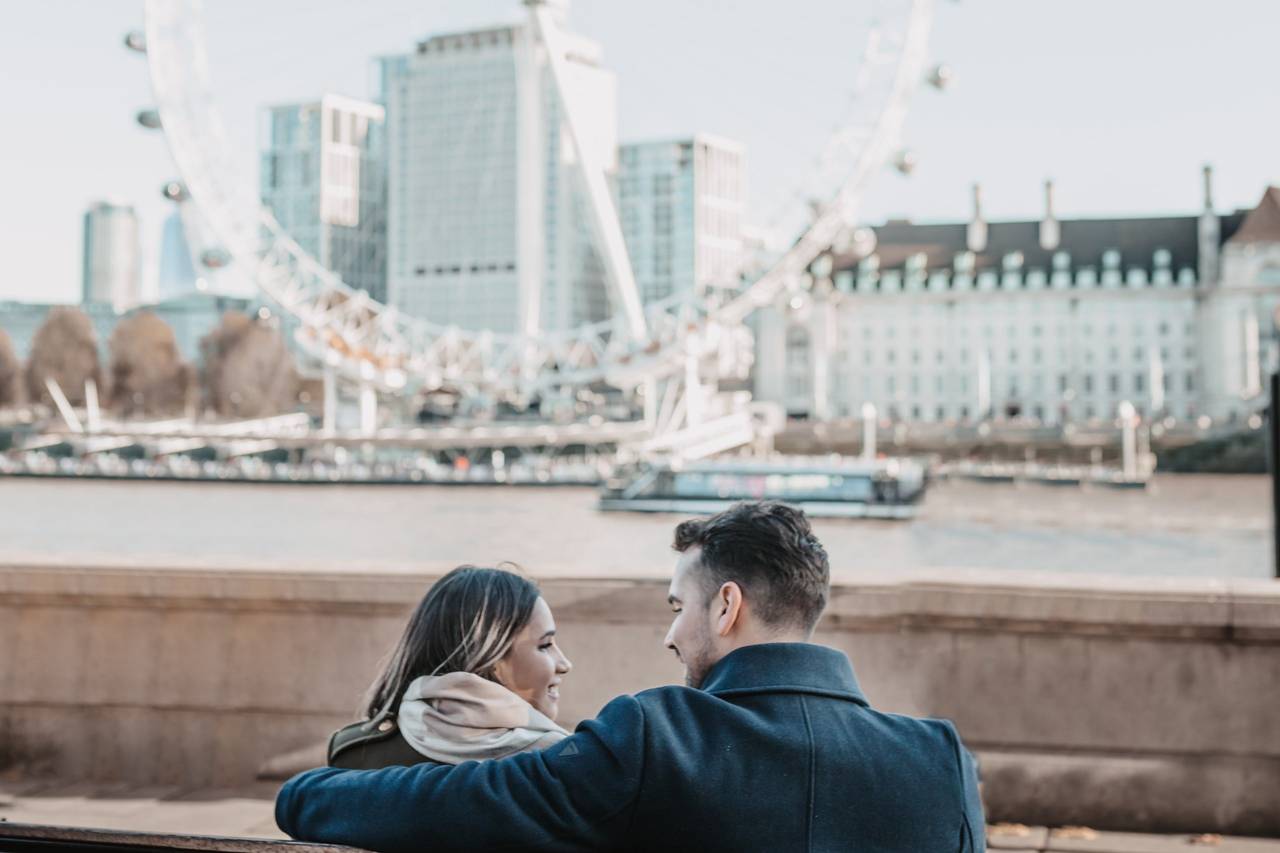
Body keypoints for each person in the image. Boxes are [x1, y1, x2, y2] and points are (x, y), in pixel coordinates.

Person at [277, 502, 986, 852]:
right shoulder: (940, 760)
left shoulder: (657, 739)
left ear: (728, 605)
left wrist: (308, 793)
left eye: (680, 607)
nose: (669, 633)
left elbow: (456, 799)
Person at [327, 565, 573, 769]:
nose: (564, 664)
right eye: (545, 645)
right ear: (487, 657)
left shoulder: (354, 752)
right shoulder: (563, 765)